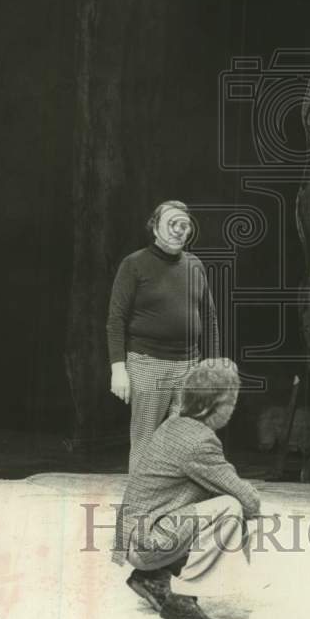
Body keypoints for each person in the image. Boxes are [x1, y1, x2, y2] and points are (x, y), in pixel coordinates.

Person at [112, 360, 261, 619]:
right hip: (146, 544)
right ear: (210, 406)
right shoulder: (200, 442)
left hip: (137, 538)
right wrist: (244, 493)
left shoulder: (175, 424)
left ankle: (153, 579)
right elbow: (249, 502)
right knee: (230, 508)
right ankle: (182, 605)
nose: (234, 409)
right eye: (231, 402)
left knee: (212, 502)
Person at [107, 200, 220, 472]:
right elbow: (116, 319)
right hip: (147, 364)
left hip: (189, 366)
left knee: (185, 442)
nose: (177, 230)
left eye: (183, 225)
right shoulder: (134, 264)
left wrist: (212, 367)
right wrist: (118, 369)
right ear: (154, 228)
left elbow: (209, 318)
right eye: (170, 223)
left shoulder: (195, 266)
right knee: (145, 441)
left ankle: (172, 506)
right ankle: (140, 508)